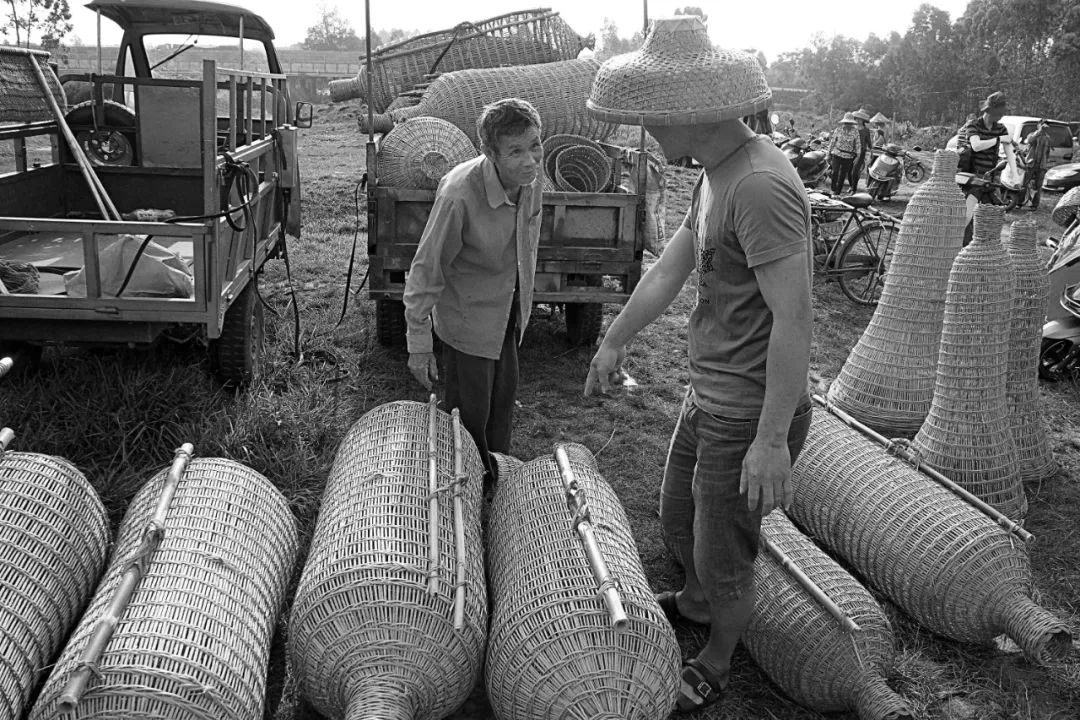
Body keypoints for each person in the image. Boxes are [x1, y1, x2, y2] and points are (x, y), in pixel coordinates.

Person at [584, 16, 813, 714]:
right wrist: (613, 339)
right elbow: (668, 273)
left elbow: (795, 319)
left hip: (748, 412)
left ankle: (717, 655)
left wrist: (772, 439)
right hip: (708, 395)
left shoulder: (760, 188)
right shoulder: (713, 176)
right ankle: (693, 602)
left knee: (724, 549)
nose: (646, 129)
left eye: (653, 115)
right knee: (677, 518)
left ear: (693, 114)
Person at [402, 98, 544, 485]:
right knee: (468, 420)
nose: (531, 159)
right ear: (489, 153)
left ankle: (494, 486)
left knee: (500, 411)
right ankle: (459, 496)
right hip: (467, 324)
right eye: (516, 151)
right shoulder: (458, 194)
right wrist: (418, 342)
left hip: (508, 318)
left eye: (535, 144)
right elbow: (426, 269)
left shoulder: (531, 182)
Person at [956, 91, 1014, 241]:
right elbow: (976, 146)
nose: (1000, 116)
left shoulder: (1001, 128)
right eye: (999, 113)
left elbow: (1009, 152)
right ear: (991, 111)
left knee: (992, 218)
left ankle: (984, 250)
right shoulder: (973, 125)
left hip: (989, 179)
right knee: (966, 218)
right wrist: (998, 140)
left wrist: (1015, 173)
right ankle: (959, 246)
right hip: (972, 179)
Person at [827, 112, 862, 194]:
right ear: (844, 123)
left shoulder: (855, 132)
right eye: (846, 123)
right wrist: (828, 154)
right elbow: (832, 142)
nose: (848, 125)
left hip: (848, 156)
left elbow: (858, 144)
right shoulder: (838, 130)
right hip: (837, 153)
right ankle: (833, 188)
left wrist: (858, 156)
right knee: (835, 172)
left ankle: (837, 192)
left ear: (852, 123)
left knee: (842, 175)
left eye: (850, 123)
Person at [1023, 118, 1052, 210]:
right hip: (1031, 164)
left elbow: (1047, 153)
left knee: (1038, 187)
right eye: (1042, 124)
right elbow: (1029, 141)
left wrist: (1045, 164)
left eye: (1046, 125)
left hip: (1041, 166)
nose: (1044, 126)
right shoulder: (1032, 135)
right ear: (1038, 125)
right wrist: (1039, 131)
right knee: (1024, 184)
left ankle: (1034, 205)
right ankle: (1020, 202)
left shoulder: (1048, 138)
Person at [850, 108, 872, 191]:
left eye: (861, 119)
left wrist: (871, 150)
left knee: (854, 171)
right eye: (857, 118)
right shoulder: (852, 128)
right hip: (851, 151)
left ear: (863, 120)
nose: (859, 120)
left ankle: (853, 190)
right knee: (849, 171)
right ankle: (852, 185)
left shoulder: (866, 130)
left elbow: (869, 141)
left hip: (861, 152)